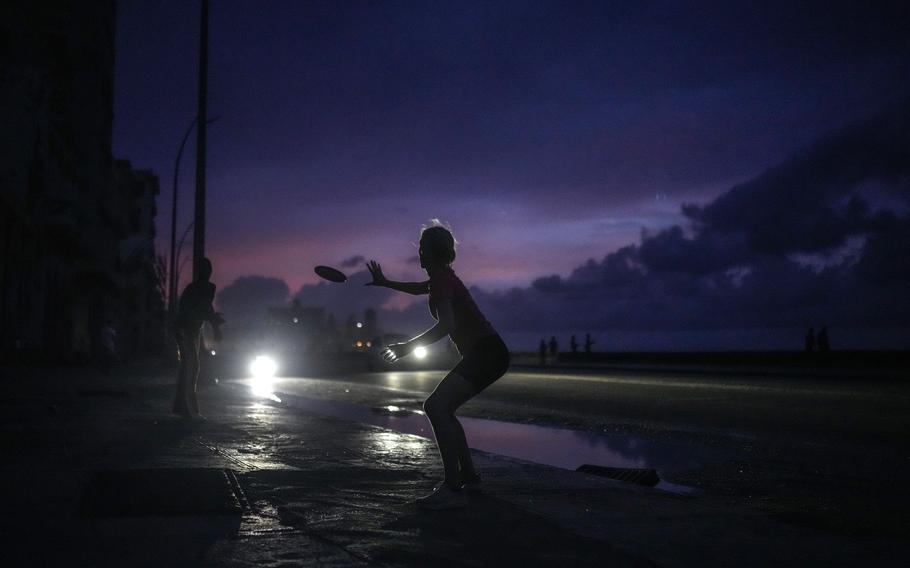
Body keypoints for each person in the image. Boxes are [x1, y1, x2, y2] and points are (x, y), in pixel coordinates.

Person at [366, 221, 509, 510]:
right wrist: (386, 283)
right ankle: (468, 476)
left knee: (435, 407)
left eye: (420, 249)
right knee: (445, 409)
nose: (418, 255)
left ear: (428, 253)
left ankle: (452, 486)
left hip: (487, 353)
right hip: (487, 353)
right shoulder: (442, 278)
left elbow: (446, 325)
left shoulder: (443, 280)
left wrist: (407, 347)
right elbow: (420, 289)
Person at [173, 258, 224, 419]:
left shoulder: (209, 288)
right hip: (184, 329)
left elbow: (206, 309)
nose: (207, 272)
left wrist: (215, 325)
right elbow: (197, 310)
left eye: (209, 269)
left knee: (192, 368)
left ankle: (186, 407)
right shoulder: (193, 288)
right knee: (189, 367)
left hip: (194, 330)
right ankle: (187, 409)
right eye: (204, 269)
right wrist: (213, 323)